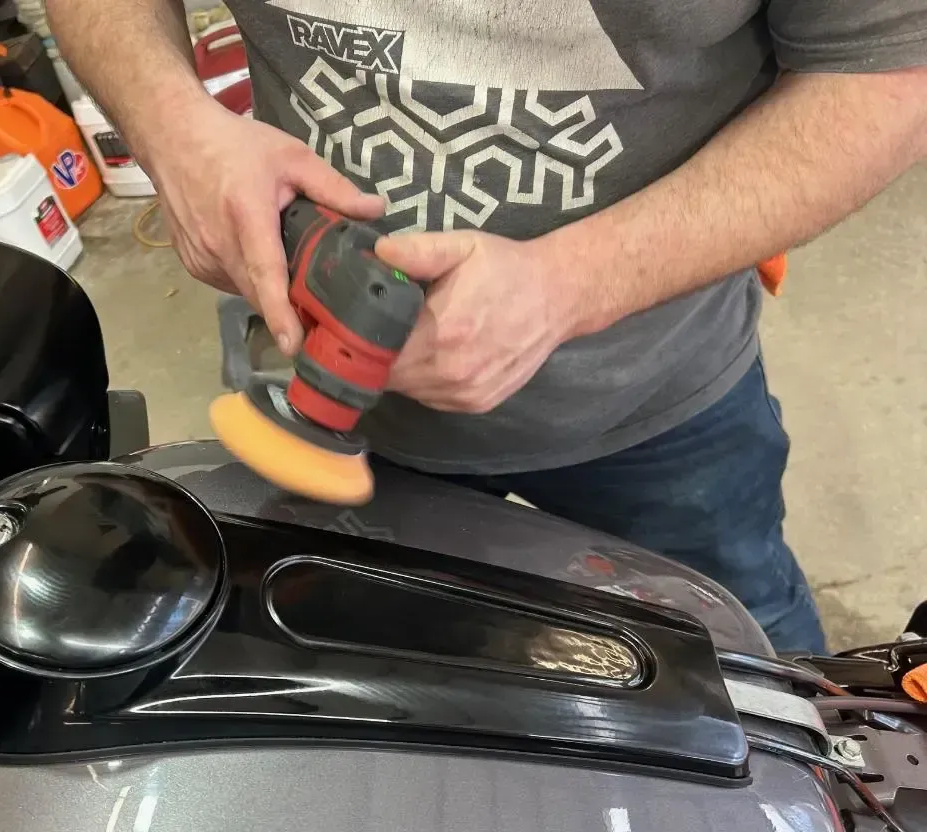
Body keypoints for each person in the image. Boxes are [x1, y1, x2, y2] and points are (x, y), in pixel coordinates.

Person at [48, 0, 927, 653]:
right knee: (378, 670)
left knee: (747, 658)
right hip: (322, 378)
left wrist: (575, 283)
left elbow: (886, 67)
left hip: (653, 394)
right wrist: (173, 130)